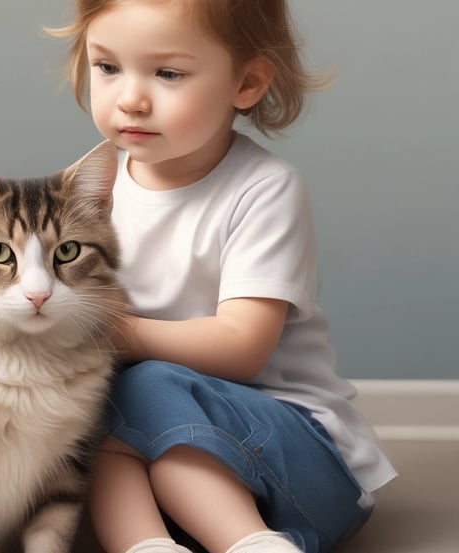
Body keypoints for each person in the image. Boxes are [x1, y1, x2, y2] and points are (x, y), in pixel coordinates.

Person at [48, 2, 397, 553]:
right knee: (92, 404)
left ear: (247, 83)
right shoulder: (90, 190)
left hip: (300, 461)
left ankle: (250, 542)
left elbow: (242, 346)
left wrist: (117, 334)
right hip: (165, 460)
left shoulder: (262, 189)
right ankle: (145, 545)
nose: (130, 98)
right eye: (108, 67)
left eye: (168, 73)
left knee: (142, 383)